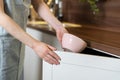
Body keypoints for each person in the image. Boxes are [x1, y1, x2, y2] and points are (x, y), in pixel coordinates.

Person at [0, 0, 68, 80]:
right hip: (3, 43)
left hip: (18, 42)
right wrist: (35, 45)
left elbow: (38, 3)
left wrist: (59, 27)